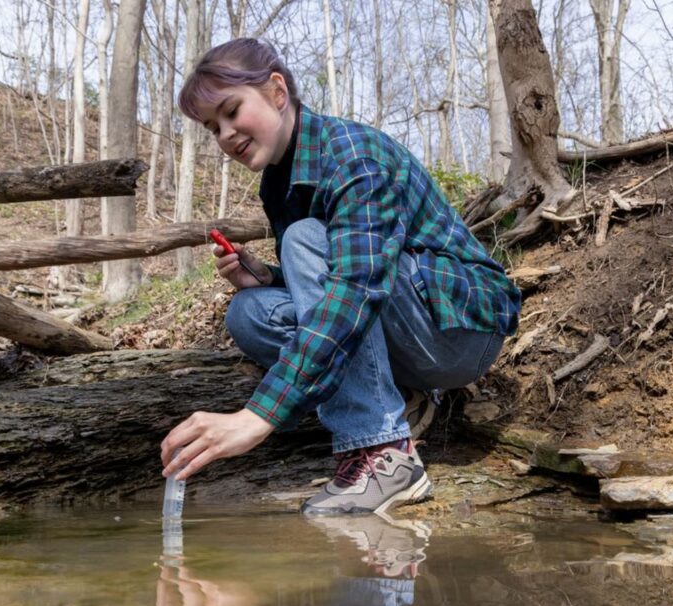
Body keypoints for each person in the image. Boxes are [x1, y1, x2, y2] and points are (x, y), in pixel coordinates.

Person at [160, 38, 521, 515]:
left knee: (307, 237)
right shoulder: (278, 180)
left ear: (276, 91)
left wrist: (257, 415)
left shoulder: (353, 156)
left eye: (231, 111)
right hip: (401, 321)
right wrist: (268, 278)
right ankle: (400, 400)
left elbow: (355, 287)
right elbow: (333, 282)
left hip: (460, 333)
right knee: (249, 313)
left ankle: (386, 456)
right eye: (213, 127)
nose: (225, 134)